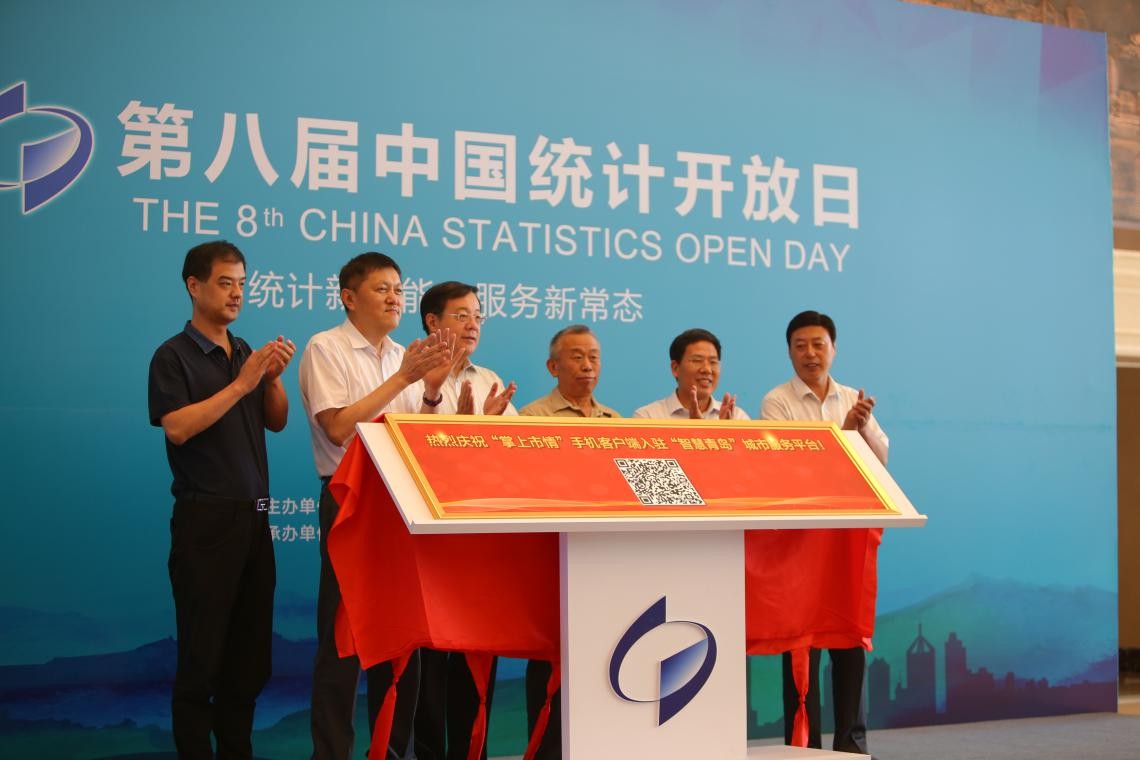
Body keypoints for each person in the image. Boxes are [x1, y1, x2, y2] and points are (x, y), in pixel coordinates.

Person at [298, 252, 455, 760]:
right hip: (351, 499)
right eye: (381, 289)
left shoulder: (401, 357)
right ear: (349, 297)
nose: (394, 298)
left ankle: (392, 750)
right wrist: (405, 379)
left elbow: (416, 437)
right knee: (342, 640)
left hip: (402, 502)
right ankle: (332, 753)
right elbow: (338, 428)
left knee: (401, 636)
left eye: (398, 289)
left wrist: (432, 392)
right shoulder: (326, 347)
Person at [148, 240, 295, 760]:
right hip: (205, 523)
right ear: (195, 286)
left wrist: (270, 381)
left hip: (254, 522)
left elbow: (277, 421)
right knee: (201, 659)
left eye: (242, 284)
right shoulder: (173, 356)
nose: (236, 294)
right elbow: (178, 428)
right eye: (225, 283)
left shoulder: (244, 351)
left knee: (249, 661)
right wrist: (241, 383)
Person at [759, 309, 888, 755]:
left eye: (818, 344)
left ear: (834, 349)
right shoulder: (776, 402)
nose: (810, 354)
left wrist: (861, 429)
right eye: (800, 346)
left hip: (846, 538)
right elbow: (788, 467)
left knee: (849, 639)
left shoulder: (853, 398)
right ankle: (805, 747)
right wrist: (844, 434)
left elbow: (881, 461)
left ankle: (852, 743)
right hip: (800, 543)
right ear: (789, 352)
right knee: (802, 643)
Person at [413, 281, 517, 760]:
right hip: (430, 537)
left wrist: (485, 431)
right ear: (432, 322)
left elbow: (511, 459)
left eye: (478, 315)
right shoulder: (409, 375)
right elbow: (410, 451)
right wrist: (457, 428)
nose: (473, 324)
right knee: (431, 655)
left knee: (476, 655)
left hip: (478, 536)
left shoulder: (489, 378)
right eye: (461, 315)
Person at [517, 324, 618, 759]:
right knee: (551, 656)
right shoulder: (532, 418)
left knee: (602, 653)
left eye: (593, 356)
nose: (587, 365)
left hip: (603, 559)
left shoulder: (615, 422)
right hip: (553, 557)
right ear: (553, 366)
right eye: (577, 356)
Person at [632, 328, 748, 420]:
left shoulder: (737, 417)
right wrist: (693, 430)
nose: (707, 369)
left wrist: (726, 431)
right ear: (675, 368)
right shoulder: (648, 417)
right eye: (697, 360)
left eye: (713, 362)